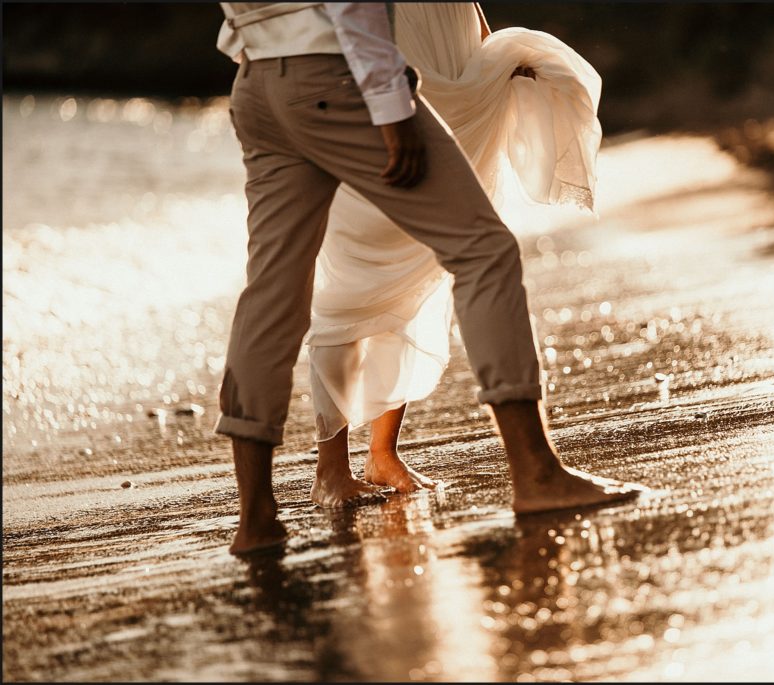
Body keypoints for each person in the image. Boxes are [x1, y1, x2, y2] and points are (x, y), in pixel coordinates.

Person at [215, 2, 646, 555]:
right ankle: (536, 474)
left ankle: (256, 521)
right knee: (483, 250)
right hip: (336, 75)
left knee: (271, 295)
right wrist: (392, 105)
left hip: (258, 83)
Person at [305, 3, 605, 503]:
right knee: (354, 280)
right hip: (385, 82)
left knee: (427, 273)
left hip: (456, 79)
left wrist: (490, 53)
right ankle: (329, 467)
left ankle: (383, 453)